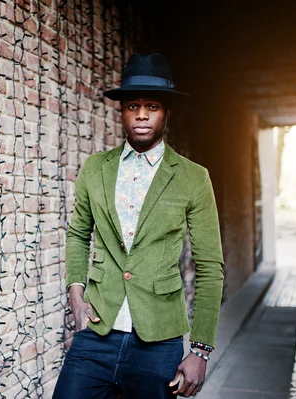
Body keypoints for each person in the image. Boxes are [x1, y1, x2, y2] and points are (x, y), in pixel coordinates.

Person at [53, 53, 224, 399]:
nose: (142, 114)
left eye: (152, 106)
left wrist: (200, 350)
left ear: (167, 111)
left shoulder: (193, 178)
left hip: (158, 342)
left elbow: (210, 267)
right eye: (133, 106)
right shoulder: (95, 168)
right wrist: (75, 289)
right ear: (122, 111)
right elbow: (77, 233)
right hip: (96, 334)